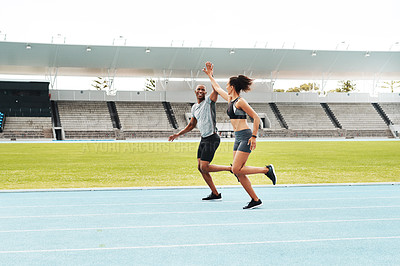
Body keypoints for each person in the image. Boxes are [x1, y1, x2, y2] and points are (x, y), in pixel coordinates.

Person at [203, 61, 277, 209]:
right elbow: (216, 88)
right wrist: (210, 75)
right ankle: (255, 199)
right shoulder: (231, 100)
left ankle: (266, 170)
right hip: (237, 138)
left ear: (232, 86)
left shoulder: (240, 102)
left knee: (236, 169)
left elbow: (256, 118)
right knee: (239, 172)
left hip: (246, 136)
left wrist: (254, 137)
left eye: (228, 84)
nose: (225, 86)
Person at [168, 84, 231, 200]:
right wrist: (177, 134)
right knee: (200, 167)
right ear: (195, 92)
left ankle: (230, 169)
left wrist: (210, 74)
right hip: (203, 139)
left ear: (206, 92)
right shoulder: (194, 108)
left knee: (205, 167)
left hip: (212, 137)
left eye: (203, 89)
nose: (201, 91)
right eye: (199, 89)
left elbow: (216, 90)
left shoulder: (209, 101)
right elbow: (191, 125)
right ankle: (215, 193)